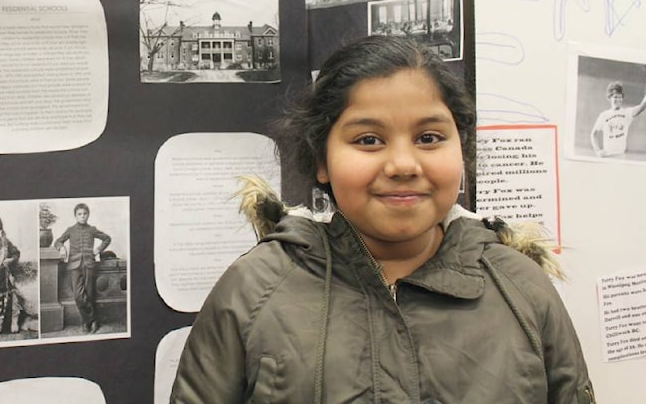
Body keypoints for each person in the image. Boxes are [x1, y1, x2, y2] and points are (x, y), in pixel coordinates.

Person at [171, 35, 594, 403]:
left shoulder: (521, 290)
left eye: (429, 138)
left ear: (460, 151)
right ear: (322, 159)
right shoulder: (253, 292)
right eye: (368, 140)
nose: (403, 164)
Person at [53, 203, 111, 334]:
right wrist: (62, 248)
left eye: (85, 214)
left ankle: (86, 323)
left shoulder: (92, 229)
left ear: (88, 215)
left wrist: (98, 249)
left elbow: (107, 239)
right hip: (74, 265)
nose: (82, 216)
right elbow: (57, 241)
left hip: (89, 265)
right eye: (79, 214)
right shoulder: (70, 229)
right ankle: (93, 319)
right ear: (75, 216)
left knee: (90, 295)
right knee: (78, 296)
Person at [590, 79, 646, 157]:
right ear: (610, 97)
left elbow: (641, 107)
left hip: (621, 156)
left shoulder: (627, 113)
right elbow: (594, 134)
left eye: (620, 97)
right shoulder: (604, 115)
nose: (618, 100)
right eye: (615, 97)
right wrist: (598, 150)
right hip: (607, 156)